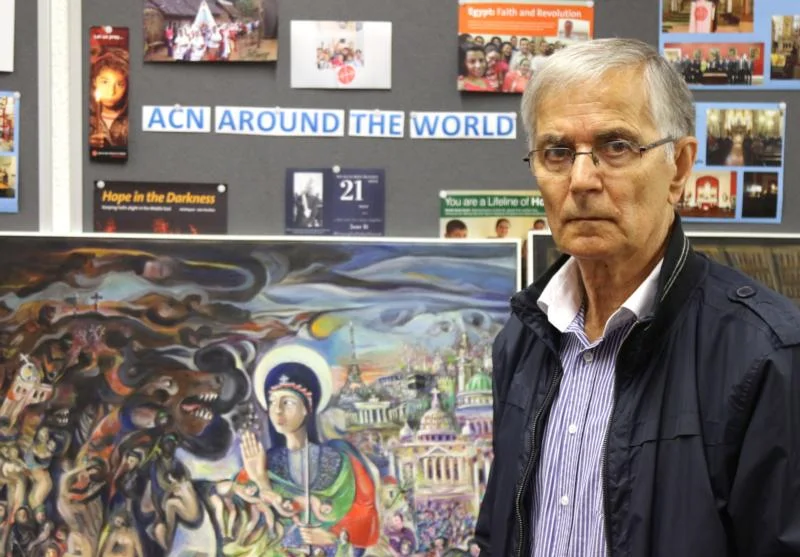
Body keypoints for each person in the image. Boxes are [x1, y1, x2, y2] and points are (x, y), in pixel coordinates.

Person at [475, 37, 800, 556]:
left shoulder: (766, 354)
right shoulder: (522, 339)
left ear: (680, 167)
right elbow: (500, 530)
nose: (581, 180)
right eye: (557, 152)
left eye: (616, 147)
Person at [238, 348, 379, 553]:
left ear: (307, 408)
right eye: (272, 402)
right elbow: (245, 528)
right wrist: (261, 481)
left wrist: (331, 538)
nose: (277, 410)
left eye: (287, 402)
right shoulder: (264, 462)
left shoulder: (338, 460)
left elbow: (364, 521)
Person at [89, 48, 129, 152]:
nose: (111, 92)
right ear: (94, 81)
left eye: (120, 84)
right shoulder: (84, 116)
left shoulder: (132, 118)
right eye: (105, 82)